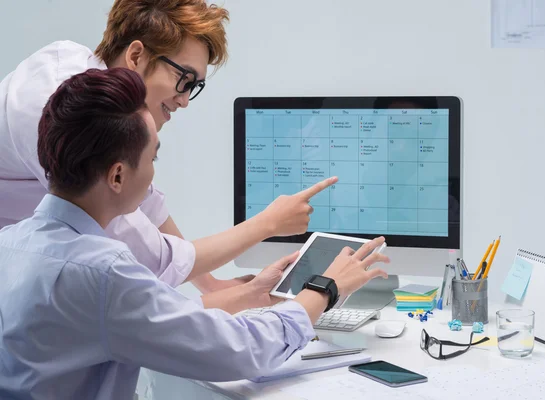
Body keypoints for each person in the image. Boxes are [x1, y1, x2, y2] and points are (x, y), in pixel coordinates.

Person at [0, 68, 389, 400]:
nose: (154, 172)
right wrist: (323, 290)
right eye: (154, 157)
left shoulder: (12, 243)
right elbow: (236, 350)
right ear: (118, 175)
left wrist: (251, 294)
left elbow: (154, 319)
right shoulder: (101, 271)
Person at [0, 0, 336, 294]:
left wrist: (212, 285)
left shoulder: (92, 90)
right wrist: (267, 224)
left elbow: (144, 205)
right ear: (135, 55)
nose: (185, 100)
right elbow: (149, 257)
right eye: (184, 80)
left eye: (194, 87)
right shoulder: (55, 110)